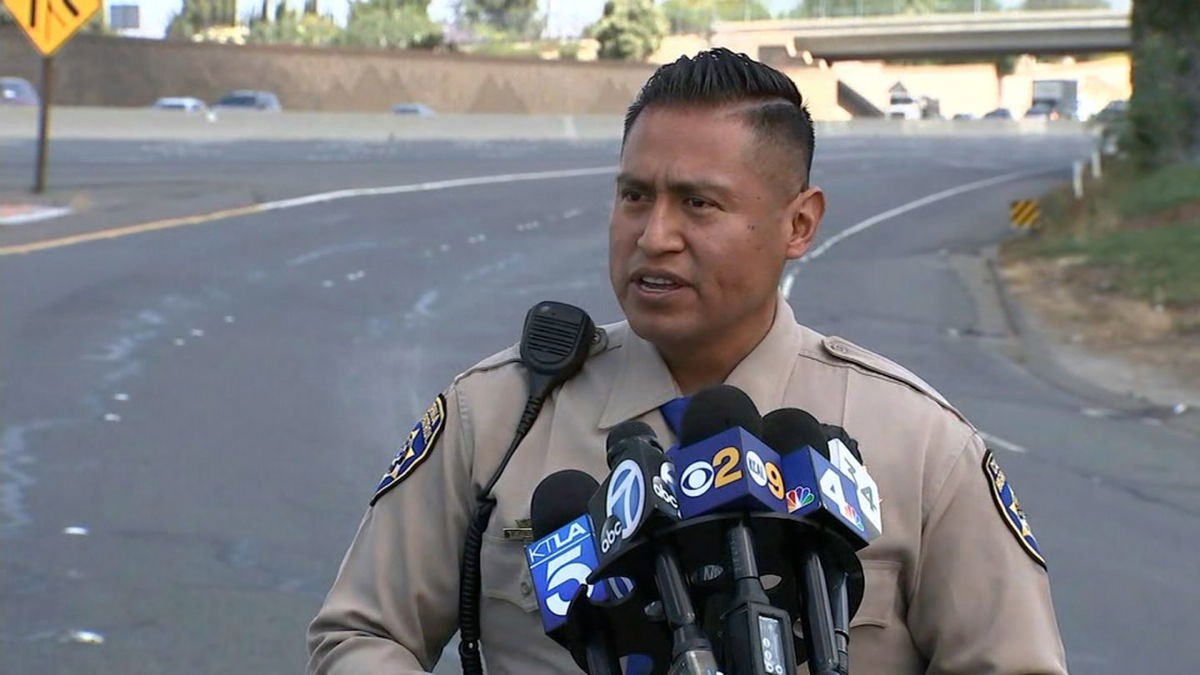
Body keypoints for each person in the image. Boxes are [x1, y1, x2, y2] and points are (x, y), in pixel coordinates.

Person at [307, 48, 1067, 674]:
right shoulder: (498, 415)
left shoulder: (920, 445)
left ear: (799, 223)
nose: (654, 234)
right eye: (635, 196)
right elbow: (361, 636)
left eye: (698, 204)